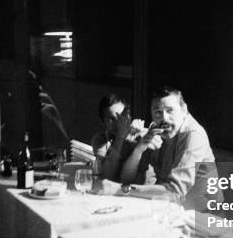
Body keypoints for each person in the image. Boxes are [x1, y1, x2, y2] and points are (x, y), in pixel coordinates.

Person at [91, 86, 221, 210]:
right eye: (158, 112)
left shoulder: (193, 135)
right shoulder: (156, 129)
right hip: (170, 208)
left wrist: (120, 189)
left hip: (201, 215)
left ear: (184, 110)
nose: (164, 118)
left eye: (170, 110)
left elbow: (176, 192)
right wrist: (139, 149)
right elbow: (128, 178)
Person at [90, 94, 144, 181]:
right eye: (112, 119)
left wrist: (142, 137)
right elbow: (108, 175)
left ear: (129, 117)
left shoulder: (139, 136)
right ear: (103, 121)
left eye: (121, 118)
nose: (118, 124)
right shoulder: (100, 140)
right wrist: (120, 137)